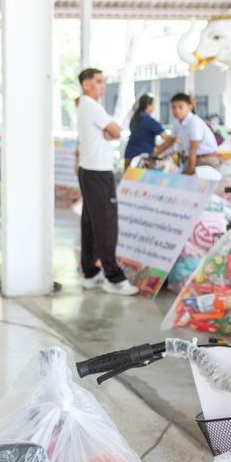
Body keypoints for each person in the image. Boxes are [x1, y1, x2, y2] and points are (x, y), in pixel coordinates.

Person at [75, 68, 138, 296]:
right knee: (106, 225)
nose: (103, 86)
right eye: (99, 82)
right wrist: (111, 131)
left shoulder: (85, 105)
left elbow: (111, 133)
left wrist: (110, 132)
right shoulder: (91, 105)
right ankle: (114, 278)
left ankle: (90, 273)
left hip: (90, 171)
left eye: (104, 82)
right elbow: (116, 131)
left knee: (91, 224)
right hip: (98, 173)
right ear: (86, 85)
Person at [154, 92, 221, 174]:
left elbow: (193, 149)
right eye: (173, 107)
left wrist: (190, 170)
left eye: (180, 107)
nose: (176, 110)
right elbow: (169, 141)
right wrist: (153, 155)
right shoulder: (177, 123)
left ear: (190, 107)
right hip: (192, 160)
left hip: (205, 161)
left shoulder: (193, 122)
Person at [124, 94, 175, 169]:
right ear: (148, 106)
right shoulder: (150, 121)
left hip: (129, 155)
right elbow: (168, 139)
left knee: (128, 180)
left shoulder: (134, 118)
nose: (154, 107)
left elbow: (141, 137)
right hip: (142, 159)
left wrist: (156, 146)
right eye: (153, 105)